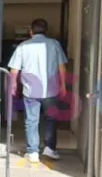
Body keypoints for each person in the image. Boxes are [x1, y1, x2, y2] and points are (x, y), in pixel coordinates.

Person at [7, 18, 67, 163]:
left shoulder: (23, 46)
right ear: (46, 30)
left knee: (31, 121)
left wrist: (13, 85)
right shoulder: (54, 44)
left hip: (31, 90)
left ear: (31, 31)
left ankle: (33, 152)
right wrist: (63, 85)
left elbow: (14, 69)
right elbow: (61, 67)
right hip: (51, 90)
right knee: (51, 119)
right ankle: (50, 149)